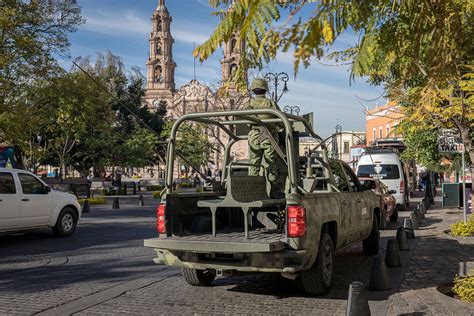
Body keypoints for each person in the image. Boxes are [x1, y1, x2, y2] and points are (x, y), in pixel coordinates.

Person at [246, 78, 282, 197]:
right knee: (271, 164)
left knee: (254, 165)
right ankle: (274, 191)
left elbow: (243, 118)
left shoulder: (249, 104)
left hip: (254, 137)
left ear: (253, 90)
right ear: (265, 90)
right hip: (268, 137)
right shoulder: (270, 103)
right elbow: (280, 120)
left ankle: (252, 191)